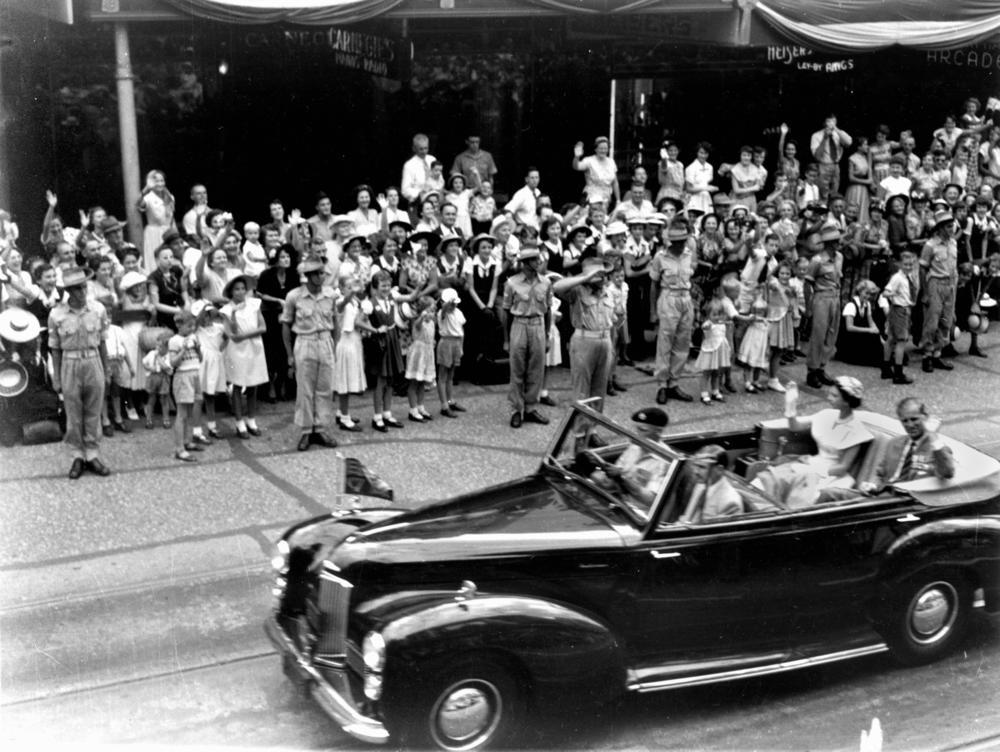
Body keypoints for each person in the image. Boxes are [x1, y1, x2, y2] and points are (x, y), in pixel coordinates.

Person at [752, 375, 872, 508]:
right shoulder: (827, 414)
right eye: (830, 394)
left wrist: (812, 469)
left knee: (794, 494)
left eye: (834, 396)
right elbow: (795, 427)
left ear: (847, 401)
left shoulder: (857, 431)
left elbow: (842, 468)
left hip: (829, 475)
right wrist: (791, 405)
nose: (828, 398)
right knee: (765, 480)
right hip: (809, 463)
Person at [48, 266, 111, 479]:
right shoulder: (57, 314)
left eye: (83, 287)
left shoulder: (97, 309)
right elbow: (55, 349)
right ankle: (77, 455)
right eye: (75, 289)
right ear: (68, 291)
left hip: (93, 361)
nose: (81, 292)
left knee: (94, 410)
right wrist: (57, 377)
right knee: (74, 414)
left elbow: (102, 342)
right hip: (70, 363)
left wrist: (106, 369)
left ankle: (92, 454)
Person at [281, 257, 339, 451]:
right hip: (305, 342)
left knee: (324, 388)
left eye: (323, 273)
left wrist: (334, 346)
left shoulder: (330, 295)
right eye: (318, 273)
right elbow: (286, 325)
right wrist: (290, 354)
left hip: (325, 341)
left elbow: (335, 322)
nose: (322, 277)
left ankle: (320, 428)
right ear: (309, 276)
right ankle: (306, 431)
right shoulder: (294, 296)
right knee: (305, 389)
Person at [552, 256, 619, 406]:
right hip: (584, 340)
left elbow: (613, 322)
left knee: (599, 389)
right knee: (582, 388)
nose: (601, 278)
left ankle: (593, 427)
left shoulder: (609, 292)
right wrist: (584, 278)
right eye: (597, 275)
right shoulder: (577, 291)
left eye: (603, 274)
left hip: (605, 340)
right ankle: (580, 428)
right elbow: (557, 287)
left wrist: (612, 346)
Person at [502, 245, 552, 428]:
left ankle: (530, 407)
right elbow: (506, 312)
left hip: (537, 324)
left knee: (536, 369)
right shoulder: (512, 283)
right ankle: (516, 409)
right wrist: (506, 339)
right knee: (517, 369)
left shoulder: (545, 282)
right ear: (525, 263)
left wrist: (546, 335)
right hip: (519, 324)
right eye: (534, 260)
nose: (539, 262)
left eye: (538, 259)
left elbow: (548, 311)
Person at [863, 397, 955, 491]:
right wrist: (873, 485)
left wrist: (932, 435)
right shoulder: (893, 443)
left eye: (914, 419)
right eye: (905, 421)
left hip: (912, 499)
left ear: (925, 417)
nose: (910, 425)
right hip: (884, 495)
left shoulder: (937, 448)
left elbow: (947, 472)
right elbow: (880, 474)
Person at [650, 222, 695, 404]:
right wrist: (653, 311)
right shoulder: (660, 257)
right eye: (676, 241)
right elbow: (653, 284)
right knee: (665, 343)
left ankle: (674, 382)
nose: (680, 244)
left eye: (683, 240)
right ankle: (662, 384)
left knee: (682, 342)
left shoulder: (688, 255)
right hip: (668, 297)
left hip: (685, 297)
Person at [588, 407, 671, 507]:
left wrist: (622, 478)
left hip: (638, 513)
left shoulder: (665, 461)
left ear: (658, 431)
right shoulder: (634, 448)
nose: (637, 434)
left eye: (643, 430)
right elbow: (616, 475)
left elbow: (651, 500)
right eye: (636, 429)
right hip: (619, 501)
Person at [221, 274, 268, 438]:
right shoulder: (226, 310)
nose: (240, 292)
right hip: (237, 350)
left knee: (253, 383)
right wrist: (233, 314)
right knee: (237, 384)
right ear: (231, 292)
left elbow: (263, 327)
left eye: (242, 289)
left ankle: (251, 419)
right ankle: (239, 422)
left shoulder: (254, 304)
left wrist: (246, 335)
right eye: (236, 289)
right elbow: (232, 333)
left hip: (253, 347)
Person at [804, 225, 844, 388]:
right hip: (821, 297)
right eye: (834, 242)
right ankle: (812, 370)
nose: (837, 244)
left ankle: (822, 367)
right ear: (827, 244)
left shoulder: (839, 257)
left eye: (837, 241)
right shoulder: (817, 260)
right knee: (818, 335)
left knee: (831, 334)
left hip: (835, 297)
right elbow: (808, 284)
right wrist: (808, 306)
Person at [364, 271, 405, 432]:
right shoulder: (369, 303)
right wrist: (374, 329)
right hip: (380, 343)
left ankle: (387, 413)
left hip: (392, 339)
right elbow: (358, 321)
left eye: (388, 285)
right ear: (375, 287)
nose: (386, 288)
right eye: (383, 285)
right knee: (380, 380)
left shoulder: (391, 300)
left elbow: (408, 299)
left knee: (390, 379)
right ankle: (377, 416)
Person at [919, 210, 959, 373]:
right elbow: (922, 269)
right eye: (949, 226)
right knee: (932, 321)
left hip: (950, 284)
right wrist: (925, 292)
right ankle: (926, 356)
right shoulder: (930, 245)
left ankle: (937, 354)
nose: (952, 229)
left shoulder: (953, 243)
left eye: (953, 226)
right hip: (935, 284)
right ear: (941, 228)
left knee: (946, 320)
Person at [167, 311, 203, 462]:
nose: (192, 329)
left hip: (194, 374)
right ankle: (179, 448)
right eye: (189, 326)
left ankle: (187, 441)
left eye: (193, 326)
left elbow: (200, 359)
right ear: (179, 325)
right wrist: (184, 349)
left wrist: (197, 348)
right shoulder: (174, 341)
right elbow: (173, 362)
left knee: (189, 411)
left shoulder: (194, 337)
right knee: (181, 414)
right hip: (183, 376)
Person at [880, 250, 918, 384]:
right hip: (900, 310)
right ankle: (898, 373)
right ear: (900, 264)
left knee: (891, 339)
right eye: (906, 264)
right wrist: (893, 296)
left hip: (902, 309)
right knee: (901, 341)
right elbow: (886, 292)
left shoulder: (908, 277)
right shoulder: (897, 278)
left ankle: (885, 368)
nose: (908, 267)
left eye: (911, 264)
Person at [678, 444, 743, 523]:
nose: (696, 472)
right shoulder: (700, 484)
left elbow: (717, 534)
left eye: (702, 467)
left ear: (719, 469)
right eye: (695, 466)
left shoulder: (730, 502)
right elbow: (687, 518)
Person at [405, 295, 437, 422]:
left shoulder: (432, 323)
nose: (432, 314)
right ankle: (413, 410)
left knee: (422, 383)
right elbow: (417, 325)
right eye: (429, 311)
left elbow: (430, 336)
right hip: (418, 355)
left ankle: (420, 406)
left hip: (427, 354)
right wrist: (422, 316)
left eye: (433, 311)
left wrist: (432, 342)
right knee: (414, 382)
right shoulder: (419, 322)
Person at [837, 279, 883, 367]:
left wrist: (879, 336)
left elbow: (871, 322)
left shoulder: (867, 305)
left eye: (871, 294)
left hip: (858, 335)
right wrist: (869, 330)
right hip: (848, 339)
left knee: (876, 337)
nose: (868, 296)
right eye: (866, 293)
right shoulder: (851, 305)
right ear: (860, 291)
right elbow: (849, 327)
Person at [436, 287, 466, 417]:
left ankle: (450, 400)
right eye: (451, 304)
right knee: (443, 375)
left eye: (455, 303)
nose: (453, 306)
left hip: (456, 343)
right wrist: (446, 303)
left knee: (451, 375)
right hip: (446, 342)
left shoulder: (458, 312)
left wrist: (461, 347)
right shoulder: (442, 313)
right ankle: (444, 405)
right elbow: (443, 310)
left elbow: (461, 331)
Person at [137, 169, 176, 270]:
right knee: (154, 263)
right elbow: (138, 203)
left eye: (161, 181)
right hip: (153, 233)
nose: (159, 184)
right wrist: (146, 189)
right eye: (156, 181)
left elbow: (171, 218)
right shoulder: (148, 198)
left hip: (167, 232)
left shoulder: (170, 197)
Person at [695, 298, 731, 404]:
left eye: (720, 314)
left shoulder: (722, 323)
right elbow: (705, 327)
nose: (717, 317)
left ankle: (715, 391)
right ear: (708, 315)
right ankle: (704, 393)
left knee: (717, 373)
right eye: (714, 314)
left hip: (719, 351)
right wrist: (706, 325)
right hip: (710, 351)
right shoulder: (709, 324)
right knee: (706, 373)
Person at [810, 114, 852, 201]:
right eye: (828, 121)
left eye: (833, 121)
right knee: (823, 193)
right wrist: (825, 138)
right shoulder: (816, 135)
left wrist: (836, 129)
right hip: (823, 166)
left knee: (834, 193)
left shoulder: (838, 133)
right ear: (824, 123)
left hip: (836, 166)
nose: (830, 124)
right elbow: (817, 156)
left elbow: (848, 142)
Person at [572, 137, 620, 207]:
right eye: (601, 148)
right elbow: (576, 167)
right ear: (595, 149)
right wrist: (577, 157)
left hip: (606, 199)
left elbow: (615, 182)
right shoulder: (589, 161)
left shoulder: (611, 161)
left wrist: (618, 200)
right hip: (592, 198)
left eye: (605, 148)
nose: (603, 151)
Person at [142, 331, 173, 432]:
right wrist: (149, 368)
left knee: (164, 399)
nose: (157, 348)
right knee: (151, 398)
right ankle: (149, 419)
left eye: (160, 347)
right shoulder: (151, 354)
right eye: (157, 345)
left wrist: (158, 358)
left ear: (167, 348)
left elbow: (166, 368)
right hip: (153, 377)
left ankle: (166, 419)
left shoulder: (168, 356)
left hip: (163, 378)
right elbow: (144, 362)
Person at [401, 133, 435, 208]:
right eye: (421, 149)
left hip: (435, 201)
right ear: (414, 148)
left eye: (426, 148)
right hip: (419, 203)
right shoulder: (409, 165)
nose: (424, 151)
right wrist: (420, 192)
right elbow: (405, 190)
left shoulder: (432, 160)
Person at [505, 167, 542, 232]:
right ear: (526, 179)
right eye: (532, 178)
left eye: (537, 177)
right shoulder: (521, 194)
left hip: (537, 229)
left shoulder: (538, 192)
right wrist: (513, 227)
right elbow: (508, 209)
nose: (535, 180)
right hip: (525, 231)